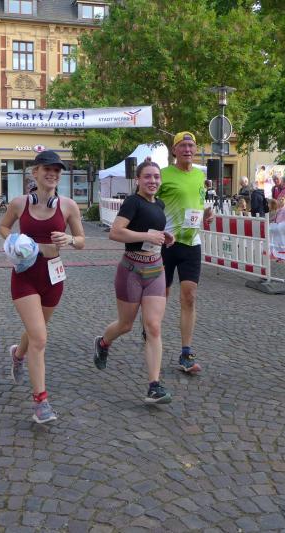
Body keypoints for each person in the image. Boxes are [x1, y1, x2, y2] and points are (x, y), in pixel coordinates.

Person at [0, 150, 85, 423]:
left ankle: (17, 354)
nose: (52, 174)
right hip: (25, 274)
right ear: (34, 172)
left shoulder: (68, 206)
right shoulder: (19, 203)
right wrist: (14, 242)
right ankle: (41, 402)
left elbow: (81, 240)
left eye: (57, 170)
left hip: (53, 276)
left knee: (37, 332)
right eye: (47, 169)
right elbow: (3, 227)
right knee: (40, 338)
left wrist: (70, 240)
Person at [93, 160, 175, 404]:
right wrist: (145, 235)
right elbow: (115, 232)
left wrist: (163, 237)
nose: (153, 181)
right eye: (147, 176)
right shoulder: (132, 202)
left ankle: (154, 386)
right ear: (138, 179)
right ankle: (103, 342)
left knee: (153, 327)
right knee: (126, 324)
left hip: (156, 269)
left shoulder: (159, 204)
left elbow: (149, 232)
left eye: (156, 177)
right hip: (131, 270)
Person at [158, 131, 213, 374]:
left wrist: (206, 215)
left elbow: (196, 205)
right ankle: (152, 332)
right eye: (183, 145)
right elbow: (150, 203)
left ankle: (186, 352)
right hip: (167, 243)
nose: (188, 149)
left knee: (189, 296)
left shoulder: (200, 175)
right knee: (161, 296)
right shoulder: (162, 174)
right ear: (174, 150)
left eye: (191, 145)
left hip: (191, 243)